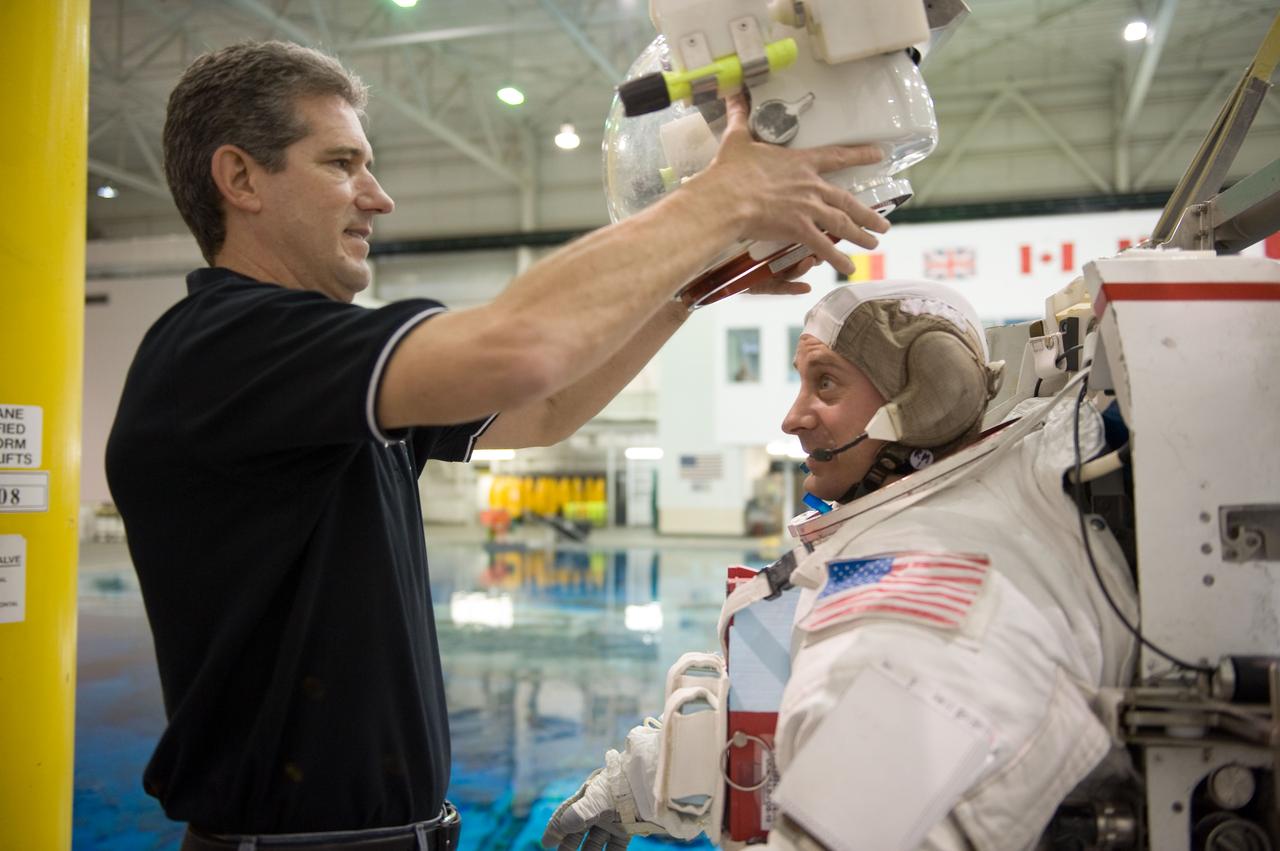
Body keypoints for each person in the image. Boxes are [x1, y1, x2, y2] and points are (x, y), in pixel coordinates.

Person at [104, 39, 891, 851]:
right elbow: (520, 349)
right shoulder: (223, 350)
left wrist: (692, 288)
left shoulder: (312, 378)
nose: (378, 198)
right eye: (341, 163)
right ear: (239, 179)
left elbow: (544, 406)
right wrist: (714, 205)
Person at [543, 281, 1139, 851]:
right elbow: (809, 727)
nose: (793, 417)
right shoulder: (954, 518)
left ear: (928, 401)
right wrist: (652, 778)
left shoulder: (922, 604)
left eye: (825, 385)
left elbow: (880, 784)